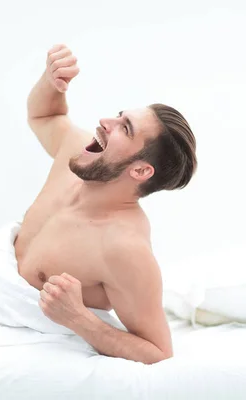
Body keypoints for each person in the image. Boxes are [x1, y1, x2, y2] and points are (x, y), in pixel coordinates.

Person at [14, 44, 197, 365]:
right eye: (118, 115)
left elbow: (157, 351)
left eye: (124, 128)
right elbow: (45, 115)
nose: (104, 122)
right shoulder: (76, 150)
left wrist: (77, 318)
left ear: (140, 170)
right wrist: (51, 82)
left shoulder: (124, 248)